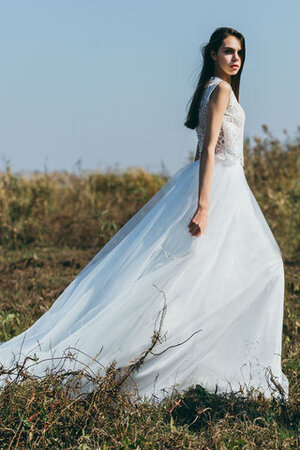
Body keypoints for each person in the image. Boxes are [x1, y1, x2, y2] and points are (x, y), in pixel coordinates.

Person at [0, 27, 289, 403]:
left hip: (225, 187)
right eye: (228, 52)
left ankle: (212, 355)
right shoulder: (219, 91)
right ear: (213, 55)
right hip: (220, 188)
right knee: (261, 268)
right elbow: (207, 155)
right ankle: (201, 357)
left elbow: (203, 151)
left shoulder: (211, 90)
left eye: (239, 53)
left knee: (222, 273)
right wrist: (203, 206)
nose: (235, 59)